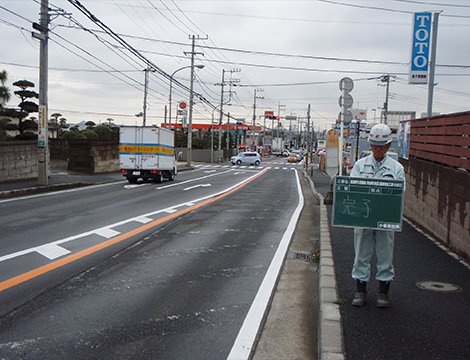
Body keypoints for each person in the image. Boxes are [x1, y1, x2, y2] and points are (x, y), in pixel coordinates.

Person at [349, 124, 405, 308]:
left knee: (385, 255)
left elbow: (399, 194)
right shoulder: (359, 165)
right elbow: (353, 190)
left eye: (381, 145)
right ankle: (360, 291)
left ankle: (383, 292)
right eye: (374, 145)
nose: (377, 148)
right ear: (370, 145)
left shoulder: (397, 169)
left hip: (385, 220)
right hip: (363, 218)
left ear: (388, 146)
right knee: (361, 255)